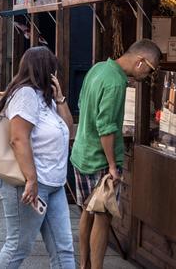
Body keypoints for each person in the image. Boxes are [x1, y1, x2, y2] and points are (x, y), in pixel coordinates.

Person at [71, 39, 160, 269]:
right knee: (102, 217)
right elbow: (107, 127)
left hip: (82, 152)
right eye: (150, 70)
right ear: (140, 62)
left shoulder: (98, 68)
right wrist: (112, 165)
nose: (148, 77)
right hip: (99, 159)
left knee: (88, 211)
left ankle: (83, 265)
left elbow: (82, 103)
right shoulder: (116, 83)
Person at [0, 46, 75, 269]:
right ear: (45, 69)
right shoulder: (25, 95)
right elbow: (18, 139)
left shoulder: (45, 97)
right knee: (18, 247)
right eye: (53, 68)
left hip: (54, 182)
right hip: (30, 183)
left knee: (63, 249)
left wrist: (60, 99)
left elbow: (68, 130)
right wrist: (31, 179)